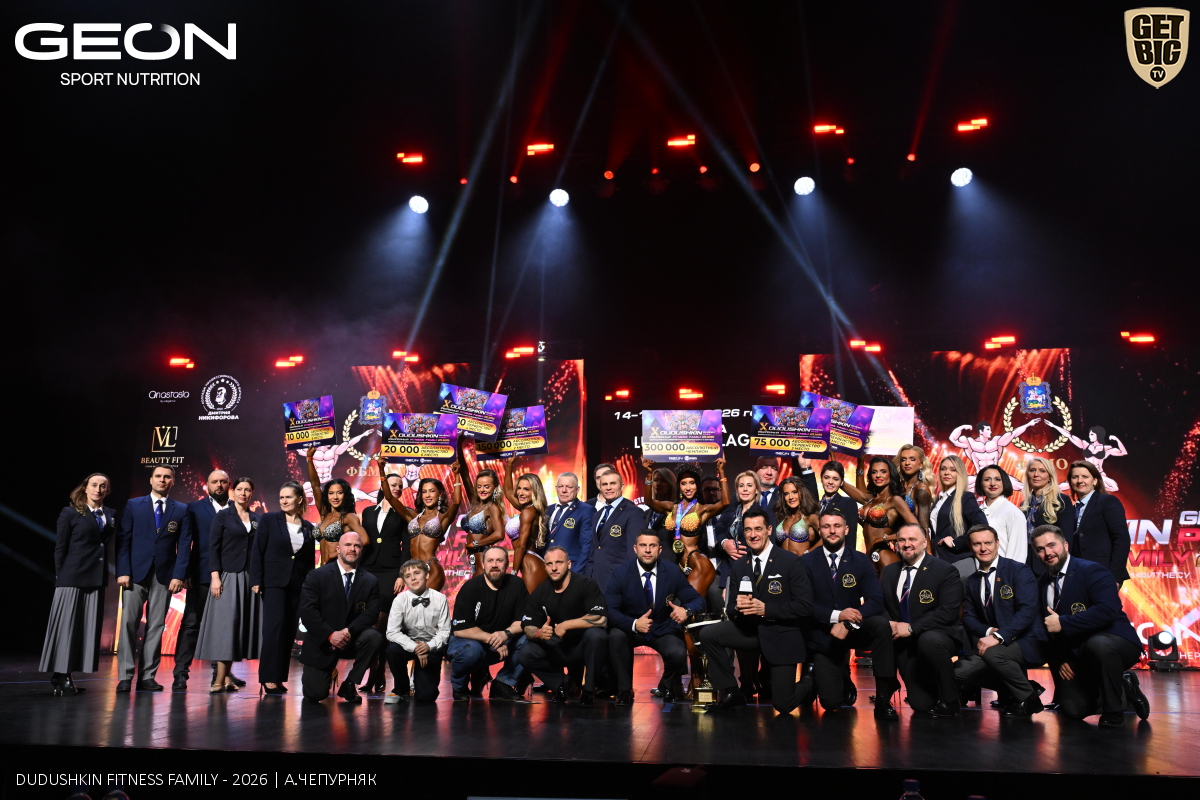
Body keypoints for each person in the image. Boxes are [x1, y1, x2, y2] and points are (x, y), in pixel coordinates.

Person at [1032, 525, 1149, 727]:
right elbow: (1046, 628)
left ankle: (1114, 713)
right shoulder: (1042, 583)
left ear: (1065, 545)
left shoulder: (1092, 570)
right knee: (1073, 709)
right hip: (1078, 654)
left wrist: (1064, 623)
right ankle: (1123, 686)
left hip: (1115, 642)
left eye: (1052, 545)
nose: (1048, 552)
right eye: (1040, 549)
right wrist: (1062, 658)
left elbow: (1108, 610)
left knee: (1099, 644)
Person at [701, 507, 814, 713]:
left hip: (780, 634)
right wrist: (738, 608)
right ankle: (732, 692)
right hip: (751, 631)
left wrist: (765, 609)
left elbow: (805, 606)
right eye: (748, 530)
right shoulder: (739, 565)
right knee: (709, 634)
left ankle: (811, 680)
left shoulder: (790, 561)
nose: (753, 535)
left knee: (783, 704)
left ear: (769, 530)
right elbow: (731, 607)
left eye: (758, 529)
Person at [799, 508, 898, 720]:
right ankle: (839, 674)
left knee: (881, 624)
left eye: (837, 526)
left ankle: (883, 699)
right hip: (824, 635)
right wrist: (838, 616)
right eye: (826, 527)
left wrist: (848, 623)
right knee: (831, 702)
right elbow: (803, 605)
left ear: (846, 529)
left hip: (853, 629)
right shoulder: (806, 562)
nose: (832, 531)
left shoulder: (861, 560)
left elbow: (876, 600)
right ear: (820, 530)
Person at [115, 465, 192, 692]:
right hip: (134, 574)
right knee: (128, 623)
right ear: (151, 480)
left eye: (167, 477)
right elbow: (123, 540)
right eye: (158, 476)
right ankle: (125, 676)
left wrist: (179, 575)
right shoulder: (134, 505)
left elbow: (184, 546)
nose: (162, 480)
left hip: (164, 575)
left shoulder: (181, 509)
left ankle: (147, 676)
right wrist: (123, 570)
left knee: (156, 626)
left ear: (173, 481)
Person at [954, 524, 1046, 716]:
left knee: (993, 654)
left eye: (988, 543)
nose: (983, 548)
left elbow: (1028, 611)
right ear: (970, 547)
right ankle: (1026, 688)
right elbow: (969, 617)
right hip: (993, 642)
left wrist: (999, 636)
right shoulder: (972, 580)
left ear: (997, 543)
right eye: (977, 544)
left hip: (1027, 641)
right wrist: (990, 632)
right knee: (957, 673)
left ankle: (1029, 701)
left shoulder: (1018, 570)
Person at [604, 531, 705, 704]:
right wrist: (634, 624)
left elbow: (698, 600)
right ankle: (624, 689)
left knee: (677, 652)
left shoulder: (672, 571)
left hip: (662, 628)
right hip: (631, 627)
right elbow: (610, 611)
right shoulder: (620, 574)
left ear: (660, 549)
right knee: (615, 636)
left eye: (652, 546)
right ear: (635, 549)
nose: (647, 550)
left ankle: (666, 685)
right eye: (643, 545)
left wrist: (686, 610)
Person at [41, 473, 114, 696]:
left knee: (84, 630)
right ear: (85, 488)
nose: (98, 489)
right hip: (72, 578)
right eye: (94, 485)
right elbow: (60, 548)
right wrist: (61, 576)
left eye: (103, 486)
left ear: (107, 490)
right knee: (68, 628)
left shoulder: (110, 514)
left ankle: (63, 674)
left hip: (95, 578)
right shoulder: (70, 512)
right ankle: (62, 674)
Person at [881, 523, 964, 716]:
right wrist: (890, 623)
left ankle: (951, 700)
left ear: (925, 543)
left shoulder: (945, 570)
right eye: (902, 540)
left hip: (937, 636)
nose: (907, 544)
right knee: (921, 704)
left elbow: (948, 612)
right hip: (903, 641)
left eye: (912, 539)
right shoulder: (889, 571)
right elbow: (880, 604)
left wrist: (911, 628)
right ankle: (930, 688)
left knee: (929, 640)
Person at [297, 531, 384, 703]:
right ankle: (326, 673)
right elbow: (308, 611)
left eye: (357, 546)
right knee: (315, 694)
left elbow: (371, 614)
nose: (352, 549)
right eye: (348, 545)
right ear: (338, 549)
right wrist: (330, 635)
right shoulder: (317, 575)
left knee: (374, 637)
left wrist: (348, 631)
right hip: (323, 641)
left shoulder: (370, 581)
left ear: (361, 550)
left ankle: (350, 683)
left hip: (351, 639)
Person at [195, 478, 262, 693]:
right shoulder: (223, 516)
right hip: (227, 576)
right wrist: (215, 577)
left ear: (252, 493)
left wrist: (257, 579)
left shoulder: (257, 519)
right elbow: (213, 548)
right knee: (226, 628)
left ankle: (225, 679)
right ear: (233, 493)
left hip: (248, 579)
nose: (243, 493)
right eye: (239, 489)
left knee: (237, 629)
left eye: (247, 490)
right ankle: (219, 679)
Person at [519, 546, 609, 705]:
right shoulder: (541, 591)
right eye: (549, 564)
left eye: (559, 562)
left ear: (569, 564)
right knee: (526, 653)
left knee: (597, 635)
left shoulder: (586, 584)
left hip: (582, 646)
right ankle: (563, 684)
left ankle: (588, 691)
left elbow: (601, 618)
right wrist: (539, 633)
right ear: (545, 566)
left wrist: (567, 624)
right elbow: (528, 626)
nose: (554, 568)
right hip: (557, 647)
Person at [250, 481, 315, 695]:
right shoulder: (269, 520)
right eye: (281, 497)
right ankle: (268, 677)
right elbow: (257, 551)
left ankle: (278, 678)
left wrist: (309, 587)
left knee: (288, 631)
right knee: (274, 629)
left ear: (299, 499)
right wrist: (256, 579)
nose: (284, 501)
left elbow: (308, 562)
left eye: (288, 497)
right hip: (274, 583)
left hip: (298, 585)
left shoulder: (308, 527)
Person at [173, 470, 233, 691]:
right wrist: (186, 572)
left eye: (223, 482)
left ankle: (221, 674)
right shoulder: (194, 508)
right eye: (214, 482)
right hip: (200, 573)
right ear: (207, 484)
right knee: (191, 623)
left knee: (224, 627)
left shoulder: (237, 508)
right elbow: (185, 541)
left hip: (230, 575)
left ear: (229, 484)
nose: (219, 485)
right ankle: (180, 673)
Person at [359, 458, 415, 694]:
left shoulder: (404, 514)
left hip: (391, 571)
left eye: (400, 487)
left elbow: (407, 546)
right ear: (383, 487)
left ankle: (380, 670)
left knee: (382, 624)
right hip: (368, 569)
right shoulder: (367, 512)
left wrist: (402, 574)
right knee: (369, 621)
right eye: (393, 485)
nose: (397, 489)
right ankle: (372, 670)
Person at [448, 546, 530, 701]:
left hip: (501, 642)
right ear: (483, 564)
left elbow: (523, 621)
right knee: (470, 651)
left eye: (499, 560)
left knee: (530, 638)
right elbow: (460, 629)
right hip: (470, 643)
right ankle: (459, 687)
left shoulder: (517, 584)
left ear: (507, 564)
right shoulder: (471, 587)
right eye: (490, 561)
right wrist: (493, 639)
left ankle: (502, 684)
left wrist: (505, 634)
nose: (494, 565)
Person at [378, 457, 462, 591]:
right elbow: (389, 497)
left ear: (440, 494)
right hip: (414, 569)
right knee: (414, 603)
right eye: (424, 491)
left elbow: (456, 502)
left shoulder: (443, 518)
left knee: (426, 603)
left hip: (431, 568)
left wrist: (457, 475)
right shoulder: (413, 516)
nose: (427, 495)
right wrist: (381, 470)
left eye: (432, 491)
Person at [640, 457, 728, 568]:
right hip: (675, 562)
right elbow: (649, 501)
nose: (688, 487)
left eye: (692, 483)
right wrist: (649, 474)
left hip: (696, 563)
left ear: (697, 485)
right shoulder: (671, 508)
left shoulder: (702, 509)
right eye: (683, 483)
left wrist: (721, 472)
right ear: (679, 486)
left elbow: (725, 502)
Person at [384, 559, 450, 703]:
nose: (413, 578)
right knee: (393, 650)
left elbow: (445, 631)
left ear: (427, 575)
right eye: (408, 576)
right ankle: (401, 688)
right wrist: (416, 647)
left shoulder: (440, 599)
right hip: (408, 644)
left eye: (417, 573)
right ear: (404, 581)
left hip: (432, 646)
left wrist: (428, 647)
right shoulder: (399, 600)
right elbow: (392, 632)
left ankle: (419, 682)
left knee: (426, 697)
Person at [847, 456, 919, 575]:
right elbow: (842, 483)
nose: (878, 475)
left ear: (891, 474)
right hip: (869, 556)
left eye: (883, 471)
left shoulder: (894, 500)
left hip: (885, 554)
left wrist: (885, 538)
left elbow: (916, 528)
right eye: (874, 472)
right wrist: (860, 461)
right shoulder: (871, 500)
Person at [1067, 461, 1130, 585]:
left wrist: (1114, 576)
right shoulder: (1071, 509)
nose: (1080, 481)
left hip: (1104, 572)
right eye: (1075, 477)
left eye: (1085, 476)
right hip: (1077, 574)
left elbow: (1121, 539)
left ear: (1095, 481)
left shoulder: (1108, 501)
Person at [588, 469, 648, 593]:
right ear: (600, 487)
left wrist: (629, 580)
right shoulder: (597, 515)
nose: (608, 488)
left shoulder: (633, 512)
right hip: (595, 580)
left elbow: (634, 551)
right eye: (605, 484)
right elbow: (594, 548)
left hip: (619, 580)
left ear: (622, 486)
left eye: (613, 483)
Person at [307, 449, 369, 566]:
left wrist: (337, 554)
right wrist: (310, 459)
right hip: (322, 568)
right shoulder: (324, 513)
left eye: (339, 493)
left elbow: (365, 540)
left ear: (345, 495)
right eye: (331, 493)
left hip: (340, 566)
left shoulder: (349, 517)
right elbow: (315, 485)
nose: (335, 497)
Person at [930, 455, 988, 573]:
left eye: (953, 470)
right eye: (943, 469)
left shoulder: (965, 497)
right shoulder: (939, 499)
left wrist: (956, 542)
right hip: (940, 560)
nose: (947, 473)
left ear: (959, 474)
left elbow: (981, 524)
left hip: (959, 560)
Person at [501, 456, 551, 592]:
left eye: (526, 489)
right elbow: (508, 492)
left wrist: (513, 573)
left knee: (529, 604)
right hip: (528, 561)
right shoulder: (527, 509)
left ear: (534, 492)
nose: (520, 493)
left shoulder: (528, 512)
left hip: (530, 563)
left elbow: (521, 546)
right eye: (519, 488)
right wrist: (509, 465)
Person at [456, 439, 506, 576]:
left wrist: (475, 544)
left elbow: (499, 534)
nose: (482, 490)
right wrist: (459, 443)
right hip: (473, 557)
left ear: (494, 488)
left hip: (483, 556)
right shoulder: (475, 504)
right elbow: (464, 473)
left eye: (487, 486)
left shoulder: (492, 508)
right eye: (479, 486)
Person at [1019, 456, 1074, 576]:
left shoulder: (1060, 501)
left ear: (1050, 477)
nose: (1036, 474)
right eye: (1032, 470)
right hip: (1026, 564)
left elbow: (1066, 537)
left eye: (1042, 471)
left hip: (1050, 565)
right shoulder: (1024, 505)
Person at [949, 419, 1039, 491]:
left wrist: (1028, 425)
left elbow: (1013, 434)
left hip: (997, 476)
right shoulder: (971, 443)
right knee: (956, 486)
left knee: (1022, 487)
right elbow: (953, 439)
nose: (990, 432)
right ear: (981, 431)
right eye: (988, 429)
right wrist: (962, 427)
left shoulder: (996, 441)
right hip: (979, 477)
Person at [798, 460, 860, 554]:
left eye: (835, 479)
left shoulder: (847, 503)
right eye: (826, 477)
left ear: (841, 482)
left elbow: (850, 537)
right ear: (821, 479)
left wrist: (848, 559)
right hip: (816, 558)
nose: (830, 482)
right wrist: (806, 468)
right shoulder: (817, 505)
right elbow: (811, 493)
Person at [1045, 423, 1128, 492]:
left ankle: (1091, 487)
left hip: (1098, 473)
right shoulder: (1085, 445)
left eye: (1092, 434)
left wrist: (1116, 439)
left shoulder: (1106, 448)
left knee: (1114, 487)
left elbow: (1123, 452)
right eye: (1089, 434)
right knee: (1061, 486)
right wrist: (1054, 426)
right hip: (1085, 473)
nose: (1089, 436)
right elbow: (1069, 435)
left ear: (1098, 435)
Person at [543, 472, 595, 575]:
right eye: (560, 486)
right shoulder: (548, 510)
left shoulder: (586, 510)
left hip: (571, 570)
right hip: (546, 570)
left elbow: (586, 546)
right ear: (556, 488)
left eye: (569, 487)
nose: (564, 490)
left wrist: (575, 574)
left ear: (577, 489)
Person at [974, 465, 1028, 564]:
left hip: (1003, 570)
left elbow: (1018, 554)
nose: (992, 484)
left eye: (997, 479)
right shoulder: (977, 511)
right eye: (987, 479)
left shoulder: (1013, 513)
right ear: (980, 483)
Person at [771, 476, 820, 556]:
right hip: (783, 562)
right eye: (786, 494)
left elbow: (827, 537)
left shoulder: (810, 518)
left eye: (794, 492)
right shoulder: (781, 518)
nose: (791, 497)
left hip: (801, 562)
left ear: (802, 492)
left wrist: (809, 553)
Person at [894, 445, 936, 534]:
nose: (907, 463)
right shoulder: (896, 486)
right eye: (903, 459)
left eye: (912, 459)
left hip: (910, 539)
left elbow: (923, 528)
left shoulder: (921, 489)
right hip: (892, 539)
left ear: (921, 464)